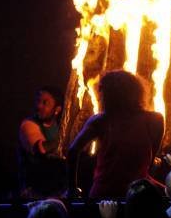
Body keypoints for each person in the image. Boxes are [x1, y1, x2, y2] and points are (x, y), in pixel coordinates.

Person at [66, 70, 164, 199]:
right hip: (138, 193)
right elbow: (150, 160)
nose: (99, 96)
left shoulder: (100, 120)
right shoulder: (155, 120)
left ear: (109, 95)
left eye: (101, 92)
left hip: (104, 193)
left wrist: (72, 188)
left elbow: (73, 151)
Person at [18, 86, 65, 198]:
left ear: (57, 109)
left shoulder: (60, 127)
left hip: (57, 193)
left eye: (45, 103)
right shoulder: (28, 124)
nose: (39, 106)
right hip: (34, 195)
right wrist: (67, 140)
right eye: (38, 101)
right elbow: (40, 149)